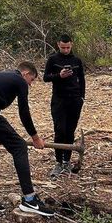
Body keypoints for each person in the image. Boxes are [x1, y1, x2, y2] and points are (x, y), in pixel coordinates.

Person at [0, 61, 54, 216]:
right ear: (25, 73)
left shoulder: (3, 76)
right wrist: (35, 137)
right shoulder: (19, 80)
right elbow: (24, 112)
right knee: (19, 147)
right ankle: (29, 199)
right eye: (31, 80)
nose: (30, 85)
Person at [43, 34, 85, 177]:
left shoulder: (77, 60)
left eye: (68, 47)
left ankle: (67, 161)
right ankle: (58, 162)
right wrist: (59, 76)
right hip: (59, 100)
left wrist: (82, 98)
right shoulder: (53, 60)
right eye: (63, 47)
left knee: (70, 131)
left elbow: (82, 80)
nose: (65, 50)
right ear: (58, 45)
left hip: (74, 100)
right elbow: (45, 78)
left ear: (71, 44)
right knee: (59, 130)